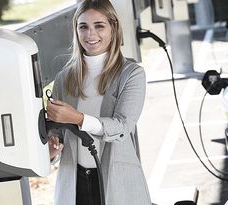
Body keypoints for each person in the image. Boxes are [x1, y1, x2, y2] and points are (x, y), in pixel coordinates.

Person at [45, 0, 151, 205]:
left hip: (117, 182)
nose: (90, 34)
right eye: (83, 27)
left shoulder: (131, 74)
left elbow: (122, 127)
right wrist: (51, 151)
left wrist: (77, 118)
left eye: (99, 26)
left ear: (113, 28)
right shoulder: (64, 78)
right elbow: (56, 134)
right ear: (76, 30)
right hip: (75, 184)